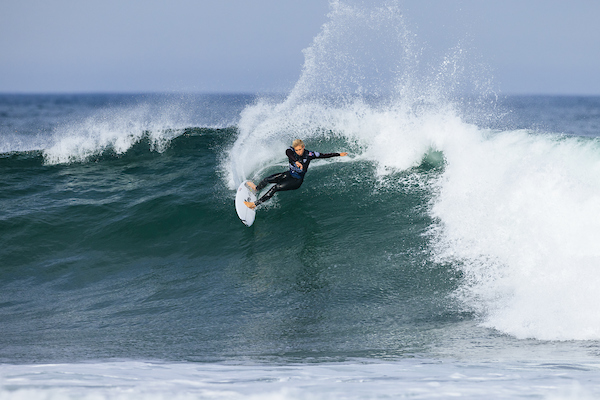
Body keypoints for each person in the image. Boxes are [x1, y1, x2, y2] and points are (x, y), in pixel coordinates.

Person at [244, 139, 348, 209]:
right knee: (267, 179)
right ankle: (256, 188)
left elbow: (324, 155)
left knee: (275, 188)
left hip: (296, 181)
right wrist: (296, 161)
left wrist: (339, 154)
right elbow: (287, 152)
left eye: (300, 149)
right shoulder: (291, 151)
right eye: (296, 150)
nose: (298, 151)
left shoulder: (310, 154)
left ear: (303, 147)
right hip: (289, 174)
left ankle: (254, 204)